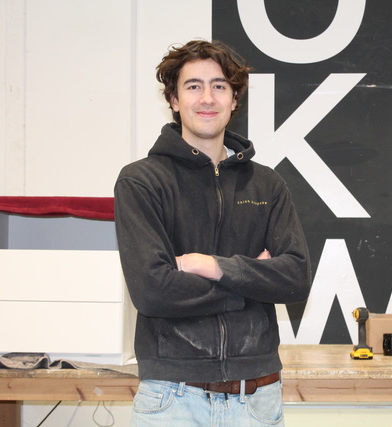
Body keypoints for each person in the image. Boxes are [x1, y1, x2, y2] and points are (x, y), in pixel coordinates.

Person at [114, 40, 312, 426]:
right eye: (194, 86)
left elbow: (295, 279)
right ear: (174, 100)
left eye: (219, 86)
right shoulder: (141, 181)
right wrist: (250, 283)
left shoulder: (267, 185)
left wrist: (211, 266)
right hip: (172, 399)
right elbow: (152, 290)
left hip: (257, 399)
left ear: (234, 100)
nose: (207, 98)